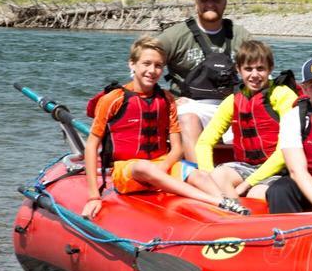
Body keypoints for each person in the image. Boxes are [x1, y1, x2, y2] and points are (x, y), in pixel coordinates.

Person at [82, 36, 227, 219]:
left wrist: (164, 167)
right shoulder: (113, 99)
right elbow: (91, 146)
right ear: (132, 65)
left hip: (160, 166)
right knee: (144, 167)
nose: (152, 70)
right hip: (127, 171)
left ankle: (228, 208)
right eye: (146, 64)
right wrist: (94, 196)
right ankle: (215, 202)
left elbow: (177, 147)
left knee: (200, 176)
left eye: (158, 65)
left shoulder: (166, 100)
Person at [155, 0, 253, 162]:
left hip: (231, 105)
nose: (210, 4)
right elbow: (145, 64)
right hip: (190, 106)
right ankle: (199, 177)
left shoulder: (241, 35)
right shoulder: (174, 36)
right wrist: (167, 98)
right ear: (196, 3)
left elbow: (261, 71)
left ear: (225, 3)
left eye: (215, 0)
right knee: (187, 119)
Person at [189, 40, 297, 201]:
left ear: (270, 69)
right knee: (218, 176)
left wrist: (247, 184)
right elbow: (205, 142)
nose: (254, 75)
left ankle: (239, 215)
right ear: (239, 70)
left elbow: (284, 152)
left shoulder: (283, 96)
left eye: (260, 69)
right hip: (246, 166)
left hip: (280, 168)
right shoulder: (233, 101)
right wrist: (207, 174)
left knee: (255, 194)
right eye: (248, 69)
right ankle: (232, 214)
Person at [266, 56, 312, 213]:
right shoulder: (294, 118)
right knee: (279, 190)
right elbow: (296, 171)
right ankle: (287, 235)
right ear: (304, 88)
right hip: (307, 182)